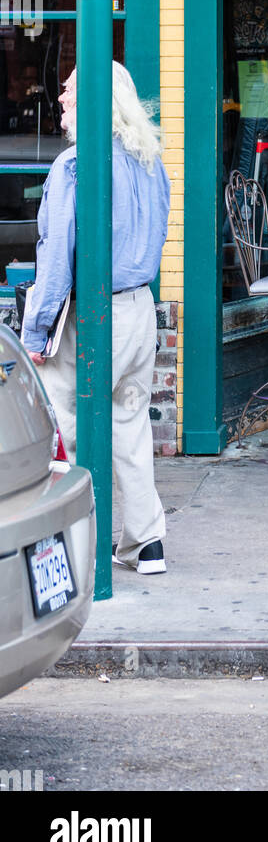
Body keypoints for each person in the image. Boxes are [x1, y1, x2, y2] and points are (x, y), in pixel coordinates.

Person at [21, 62, 172, 575]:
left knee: (63, 428)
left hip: (92, 317)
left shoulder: (73, 166)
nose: (60, 98)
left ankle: (72, 547)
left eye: (70, 91)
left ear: (94, 102)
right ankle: (146, 543)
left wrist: (36, 331)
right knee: (129, 426)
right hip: (139, 311)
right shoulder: (152, 162)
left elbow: (56, 259)